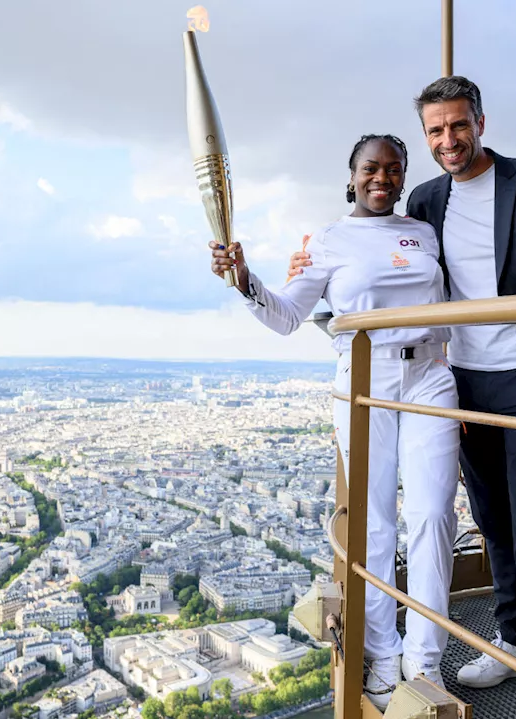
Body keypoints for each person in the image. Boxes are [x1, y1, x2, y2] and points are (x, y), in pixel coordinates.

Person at [286, 77, 516, 719]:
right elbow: (388, 269)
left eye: (457, 126)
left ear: (481, 122)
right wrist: (311, 279)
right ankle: (511, 635)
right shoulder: (425, 200)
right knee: (491, 517)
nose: (447, 140)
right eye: (435, 130)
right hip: (459, 376)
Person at [209, 135, 461, 709]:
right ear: (351, 176)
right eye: (372, 168)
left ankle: (426, 660)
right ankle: (382, 653)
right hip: (365, 379)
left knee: (432, 517)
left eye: (394, 169)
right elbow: (288, 316)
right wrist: (244, 276)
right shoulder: (328, 239)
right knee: (373, 525)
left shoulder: (424, 231)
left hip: (430, 376)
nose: (384, 178)